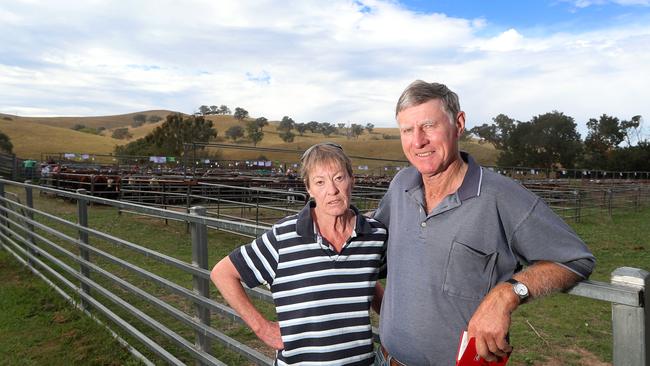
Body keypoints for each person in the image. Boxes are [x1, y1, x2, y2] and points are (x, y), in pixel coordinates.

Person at [373, 80, 596, 366]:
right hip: (385, 359)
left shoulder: (501, 197)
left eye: (429, 125)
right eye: (407, 130)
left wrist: (508, 293)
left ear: (459, 123)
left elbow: (577, 259)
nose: (418, 141)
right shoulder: (401, 185)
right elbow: (371, 251)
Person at [211, 142, 387, 365]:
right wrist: (262, 328)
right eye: (320, 182)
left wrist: (397, 330)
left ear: (352, 180)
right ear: (309, 189)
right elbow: (222, 273)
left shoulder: (374, 234)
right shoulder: (285, 236)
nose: (331, 190)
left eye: (339, 178)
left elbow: (367, 280)